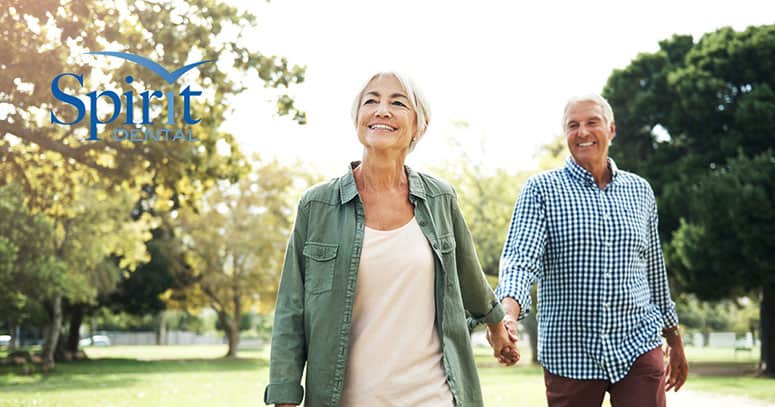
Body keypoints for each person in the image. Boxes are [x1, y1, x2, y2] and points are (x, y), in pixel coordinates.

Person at [264, 71, 518, 407]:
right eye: (371, 101)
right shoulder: (317, 205)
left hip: (434, 396)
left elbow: (469, 277)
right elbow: (291, 310)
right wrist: (284, 397)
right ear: (358, 119)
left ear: (419, 126)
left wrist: (498, 327)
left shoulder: (440, 199)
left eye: (397, 102)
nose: (382, 110)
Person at [493, 94, 689, 407]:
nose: (582, 132)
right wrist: (507, 315)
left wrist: (674, 339)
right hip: (571, 352)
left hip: (638, 343)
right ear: (565, 135)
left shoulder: (640, 191)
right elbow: (520, 259)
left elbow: (654, 270)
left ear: (611, 130)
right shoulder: (541, 190)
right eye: (573, 125)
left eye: (591, 122)